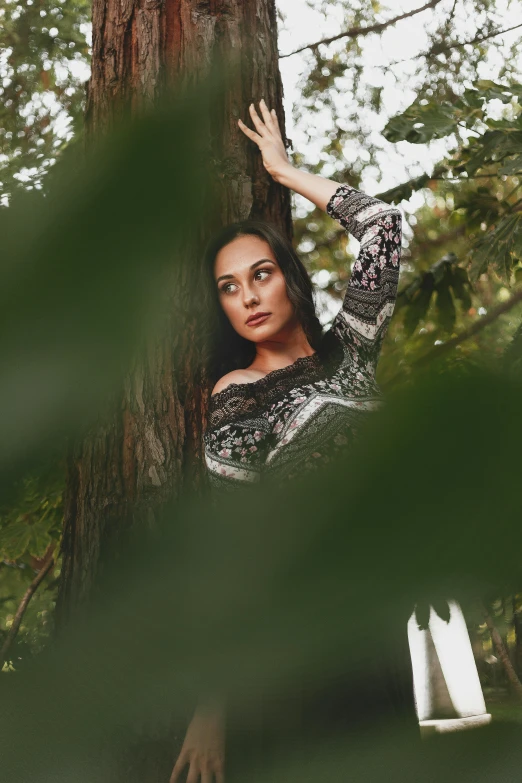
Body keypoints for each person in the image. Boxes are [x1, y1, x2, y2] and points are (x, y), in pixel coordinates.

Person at [169, 99, 415, 783]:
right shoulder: (236, 392)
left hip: (382, 627)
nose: (247, 296)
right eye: (228, 287)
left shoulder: (352, 352)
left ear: (289, 277)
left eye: (261, 273)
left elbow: (385, 228)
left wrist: (283, 170)